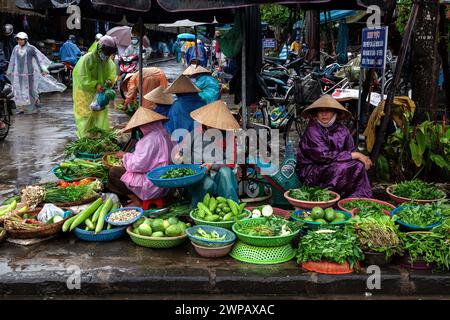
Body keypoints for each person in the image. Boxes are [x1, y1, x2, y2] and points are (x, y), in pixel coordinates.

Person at [295, 95, 373, 198]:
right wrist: (353, 155)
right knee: (342, 168)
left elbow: (351, 150)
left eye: (328, 110)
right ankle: (331, 198)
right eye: (320, 111)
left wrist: (362, 158)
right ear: (316, 114)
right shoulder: (313, 129)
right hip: (312, 170)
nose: (324, 114)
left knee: (359, 165)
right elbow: (322, 156)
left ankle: (355, 198)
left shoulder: (342, 129)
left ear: (335, 113)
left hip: (333, 165)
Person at [175, 100, 241, 206]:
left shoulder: (228, 135)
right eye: (211, 124)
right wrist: (180, 156)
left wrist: (212, 165)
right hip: (199, 175)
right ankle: (196, 210)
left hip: (220, 175)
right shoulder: (195, 133)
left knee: (225, 172)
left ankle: (231, 206)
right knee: (207, 184)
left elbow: (230, 162)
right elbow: (182, 153)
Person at [107, 107, 173, 206]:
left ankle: (135, 199)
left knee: (114, 172)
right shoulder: (165, 134)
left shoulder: (149, 140)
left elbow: (138, 165)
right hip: (167, 183)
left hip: (154, 185)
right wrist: (127, 156)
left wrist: (125, 157)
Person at [7, 32, 66, 114]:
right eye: (18, 39)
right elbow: (13, 60)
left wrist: (42, 70)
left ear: (25, 40)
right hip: (18, 73)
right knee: (19, 89)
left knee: (31, 90)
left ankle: (34, 102)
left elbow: (38, 59)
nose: (19, 41)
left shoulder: (31, 48)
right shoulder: (16, 48)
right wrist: (10, 70)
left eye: (21, 39)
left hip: (30, 73)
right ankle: (21, 107)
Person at [72, 35, 117, 138]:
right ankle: (84, 140)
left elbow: (111, 72)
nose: (107, 56)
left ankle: (98, 139)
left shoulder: (107, 61)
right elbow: (82, 77)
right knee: (85, 118)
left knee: (100, 117)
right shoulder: (87, 59)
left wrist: (110, 81)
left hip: (99, 95)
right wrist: (95, 84)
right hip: (84, 95)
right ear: (99, 49)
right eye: (106, 53)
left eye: (109, 54)